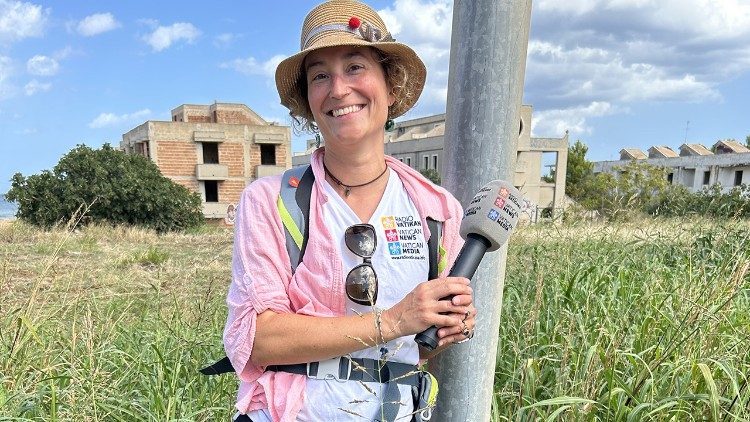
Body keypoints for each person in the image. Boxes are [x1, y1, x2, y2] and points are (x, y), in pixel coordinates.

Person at [223, 1, 476, 420]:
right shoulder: (272, 200)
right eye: (320, 75)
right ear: (308, 100)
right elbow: (259, 337)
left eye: (355, 67)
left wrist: (450, 324)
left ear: (391, 87)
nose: (339, 89)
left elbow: (421, 344)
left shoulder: (436, 209)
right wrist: (394, 320)